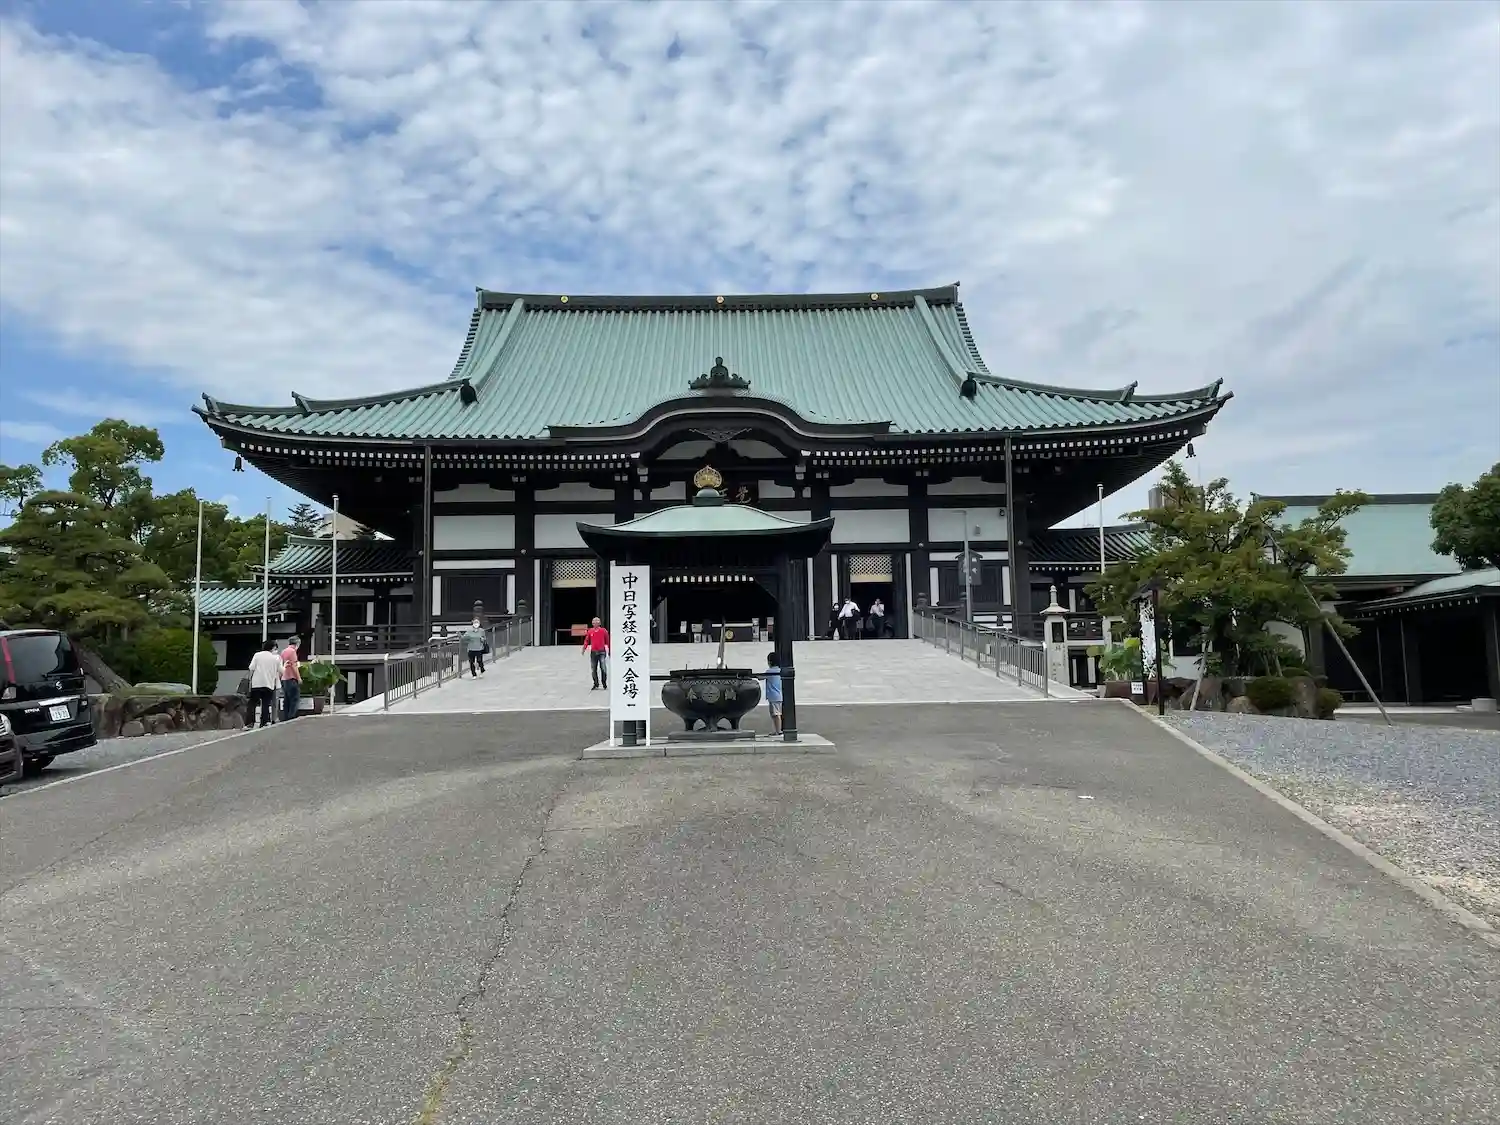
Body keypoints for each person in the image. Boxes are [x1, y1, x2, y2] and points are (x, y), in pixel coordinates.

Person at [247, 640, 281, 728]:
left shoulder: (257, 655)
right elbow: (281, 670)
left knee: (252, 703)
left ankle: (250, 723)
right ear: (273, 648)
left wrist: (249, 681)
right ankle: (264, 722)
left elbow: (251, 668)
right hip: (269, 684)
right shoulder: (276, 658)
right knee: (266, 703)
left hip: (256, 683)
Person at [279, 635, 302, 721]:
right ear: (297, 643)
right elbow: (294, 666)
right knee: (294, 699)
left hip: (284, 678)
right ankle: (292, 717)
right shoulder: (292, 651)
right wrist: (299, 678)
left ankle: (286, 717)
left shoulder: (283, 651)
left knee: (287, 699)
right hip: (291, 678)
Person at [582, 616, 609, 690]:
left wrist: (610, 649)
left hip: (602, 652)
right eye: (594, 621)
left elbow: (608, 640)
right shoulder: (590, 631)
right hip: (593, 652)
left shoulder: (603, 631)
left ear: (599, 623)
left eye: (597, 621)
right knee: (593, 669)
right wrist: (584, 648)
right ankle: (596, 684)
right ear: (592, 623)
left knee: (603, 667)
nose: (595, 622)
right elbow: (587, 640)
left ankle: (604, 682)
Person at [764, 650, 783, 736]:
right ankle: (777, 730)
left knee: (776, 714)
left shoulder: (770, 671)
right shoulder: (780, 671)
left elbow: (761, 677)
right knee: (775, 714)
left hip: (773, 696)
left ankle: (778, 731)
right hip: (778, 695)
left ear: (770, 662)